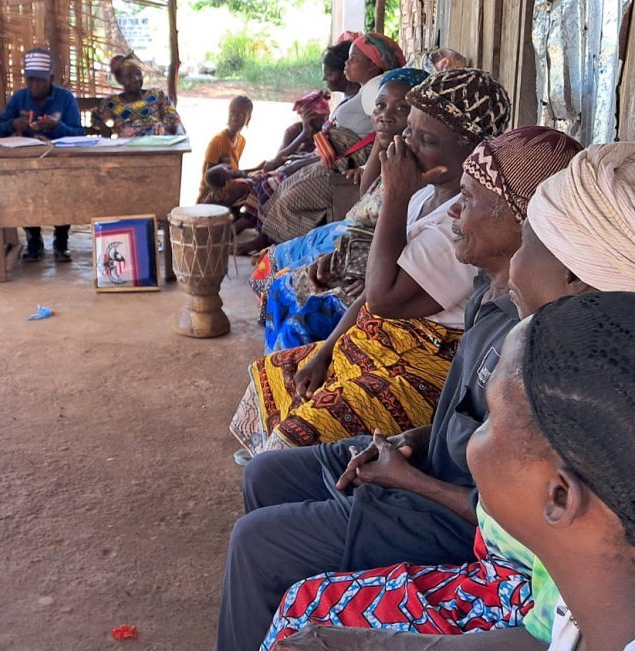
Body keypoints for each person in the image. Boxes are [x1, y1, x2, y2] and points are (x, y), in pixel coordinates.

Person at [267, 142, 635, 651]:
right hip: (468, 520)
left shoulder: (558, 386)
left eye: (527, 240)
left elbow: (535, 610)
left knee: (288, 579)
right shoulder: (525, 335)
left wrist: (410, 481)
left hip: (478, 549)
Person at [215, 122, 562, 651]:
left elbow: (511, 520)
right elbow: (459, 425)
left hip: (451, 518)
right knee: (267, 473)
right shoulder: (489, 295)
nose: (454, 213)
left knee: (258, 542)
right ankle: (273, 619)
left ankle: (290, 594)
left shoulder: (535, 343)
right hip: (429, 469)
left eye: (469, 200)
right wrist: (413, 442)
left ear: (520, 220)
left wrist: (409, 480)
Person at [231, 68, 512, 459]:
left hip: (422, 363)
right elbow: (366, 298)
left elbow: (381, 299)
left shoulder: (460, 225)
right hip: (377, 342)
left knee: (307, 427)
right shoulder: (422, 197)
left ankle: (287, 470)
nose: (407, 145)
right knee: (277, 371)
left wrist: (396, 193)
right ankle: (274, 463)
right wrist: (327, 350)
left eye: (426, 139)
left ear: (473, 151)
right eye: (409, 130)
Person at [247, 68, 428, 351]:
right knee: (271, 260)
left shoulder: (418, 170)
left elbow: (406, 238)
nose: (386, 115)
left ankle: (286, 354)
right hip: (349, 235)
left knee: (289, 287)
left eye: (402, 109)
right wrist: (380, 146)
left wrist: (360, 270)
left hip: (367, 255)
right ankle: (272, 334)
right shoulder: (394, 153)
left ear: (419, 117)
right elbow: (365, 192)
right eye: (380, 106)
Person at [254, 33, 406, 248]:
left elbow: (386, 134)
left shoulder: (375, 91)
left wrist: (363, 166)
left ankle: (283, 248)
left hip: (344, 165)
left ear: (372, 66)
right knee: (286, 186)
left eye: (353, 59)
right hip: (334, 159)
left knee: (291, 200)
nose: (347, 63)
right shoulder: (367, 89)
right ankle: (273, 245)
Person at [0, 48, 84, 262]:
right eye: (30, 81)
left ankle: (61, 241)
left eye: (39, 81)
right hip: (27, 162)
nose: (34, 86)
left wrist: (56, 127)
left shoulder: (65, 98)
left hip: (58, 162)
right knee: (24, 193)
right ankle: (34, 240)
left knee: (62, 192)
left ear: (50, 78)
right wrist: (12, 124)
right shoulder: (20, 98)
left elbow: (79, 132)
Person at [92, 53, 184, 139]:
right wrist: (107, 132)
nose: (136, 79)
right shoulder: (111, 103)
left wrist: (164, 128)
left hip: (157, 148)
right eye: (128, 76)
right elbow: (96, 120)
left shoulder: (156, 96)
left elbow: (174, 120)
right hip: (126, 152)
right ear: (119, 80)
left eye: (138, 74)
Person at [198, 94, 253, 201]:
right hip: (211, 195)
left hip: (229, 188)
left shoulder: (241, 141)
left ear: (248, 119)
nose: (234, 118)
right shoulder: (217, 142)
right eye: (232, 112)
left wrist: (257, 169)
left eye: (241, 115)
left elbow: (234, 171)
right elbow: (209, 179)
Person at [259, 90, 329, 174]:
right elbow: (277, 161)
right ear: (304, 117)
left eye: (325, 117)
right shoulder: (293, 131)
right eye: (317, 118)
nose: (323, 121)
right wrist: (303, 134)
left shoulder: (328, 132)